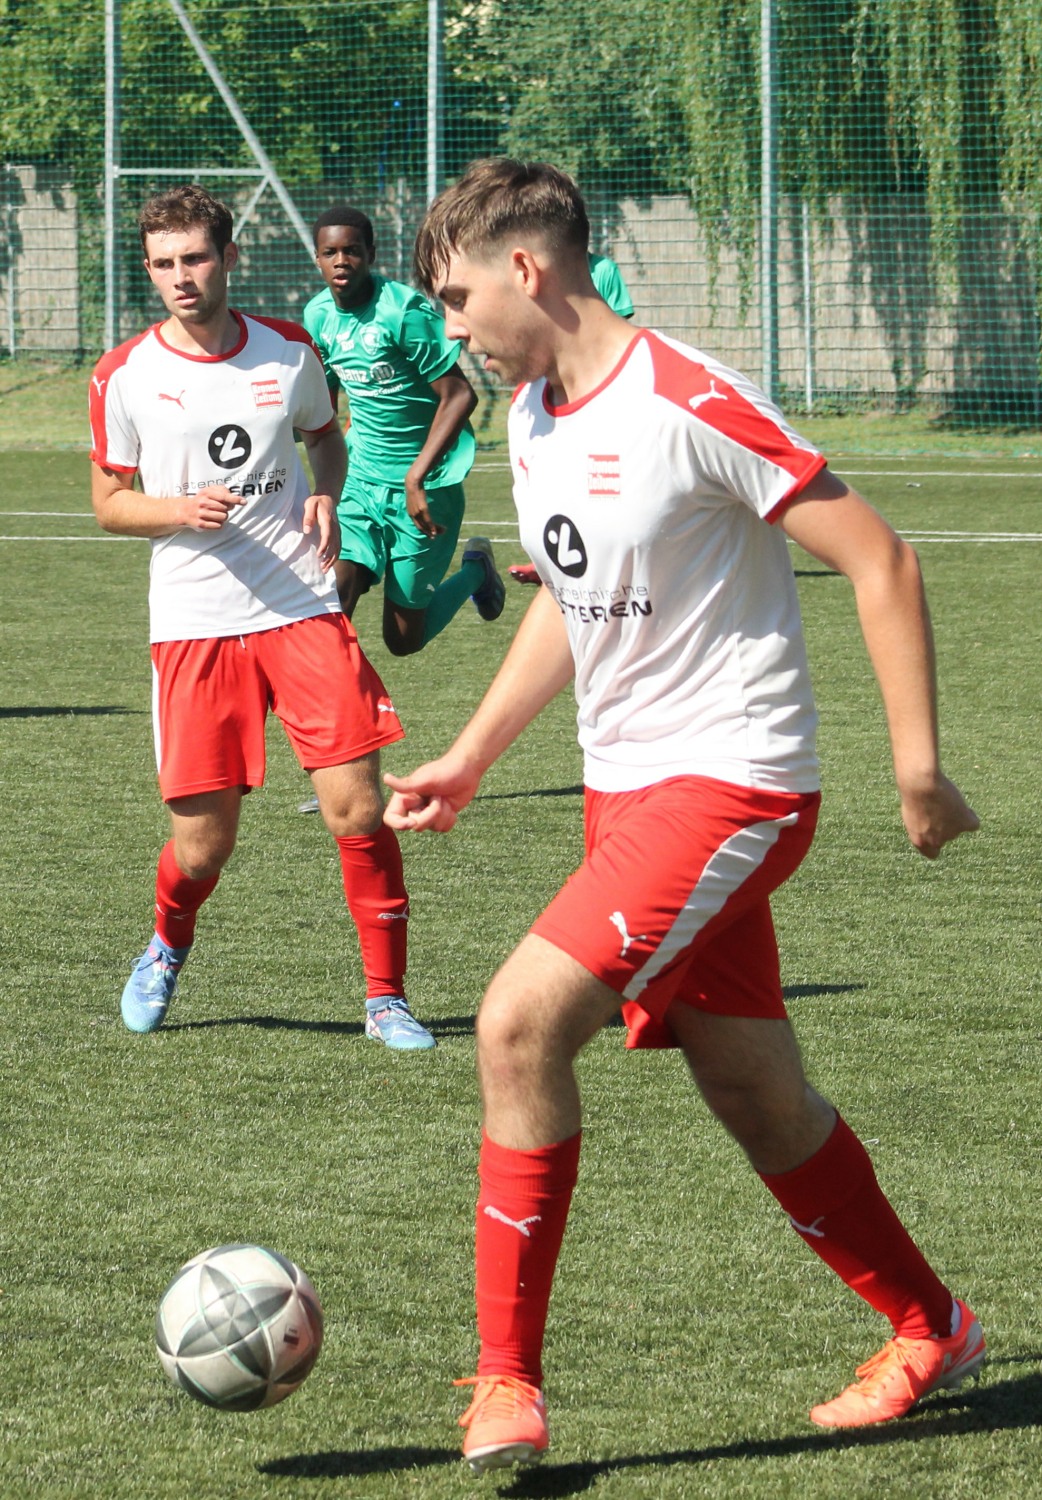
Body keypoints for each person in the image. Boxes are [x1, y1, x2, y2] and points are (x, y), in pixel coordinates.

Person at [384, 157, 984, 1471]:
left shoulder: (685, 399)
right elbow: (570, 596)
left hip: (732, 782)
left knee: (515, 1024)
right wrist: (472, 755)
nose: (450, 326)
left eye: (456, 296)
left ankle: (506, 1382)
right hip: (627, 794)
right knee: (754, 1089)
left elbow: (879, 557)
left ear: (526, 269)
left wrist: (917, 769)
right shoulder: (534, 416)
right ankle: (931, 1326)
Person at [89, 184, 435, 1051]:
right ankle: (167, 943)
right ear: (149, 269)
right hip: (194, 622)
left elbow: (326, 436)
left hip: (299, 602)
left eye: (195, 258)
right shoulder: (123, 374)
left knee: (357, 809)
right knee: (202, 849)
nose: (181, 277)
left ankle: (386, 999)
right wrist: (177, 510)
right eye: (163, 264)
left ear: (229, 258)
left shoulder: (289, 350)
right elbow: (109, 503)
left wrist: (327, 493)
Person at [294, 205, 506, 814]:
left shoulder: (404, 313)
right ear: (318, 258)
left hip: (426, 486)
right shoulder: (317, 315)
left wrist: (416, 477)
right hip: (360, 484)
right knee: (330, 612)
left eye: (352, 250)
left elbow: (459, 395)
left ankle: (475, 573)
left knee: (402, 640)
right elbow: (324, 399)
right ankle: (343, 769)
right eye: (330, 252)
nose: (341, 261)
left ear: (370, 253)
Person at [509, 250, 633, 587]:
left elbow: (620, 329)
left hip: (593, 387)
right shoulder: (540, 269)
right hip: (545, 384)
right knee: (544, 474)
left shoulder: (603, 270)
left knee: (599, 478)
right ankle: (549, 556)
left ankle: (605, 556)